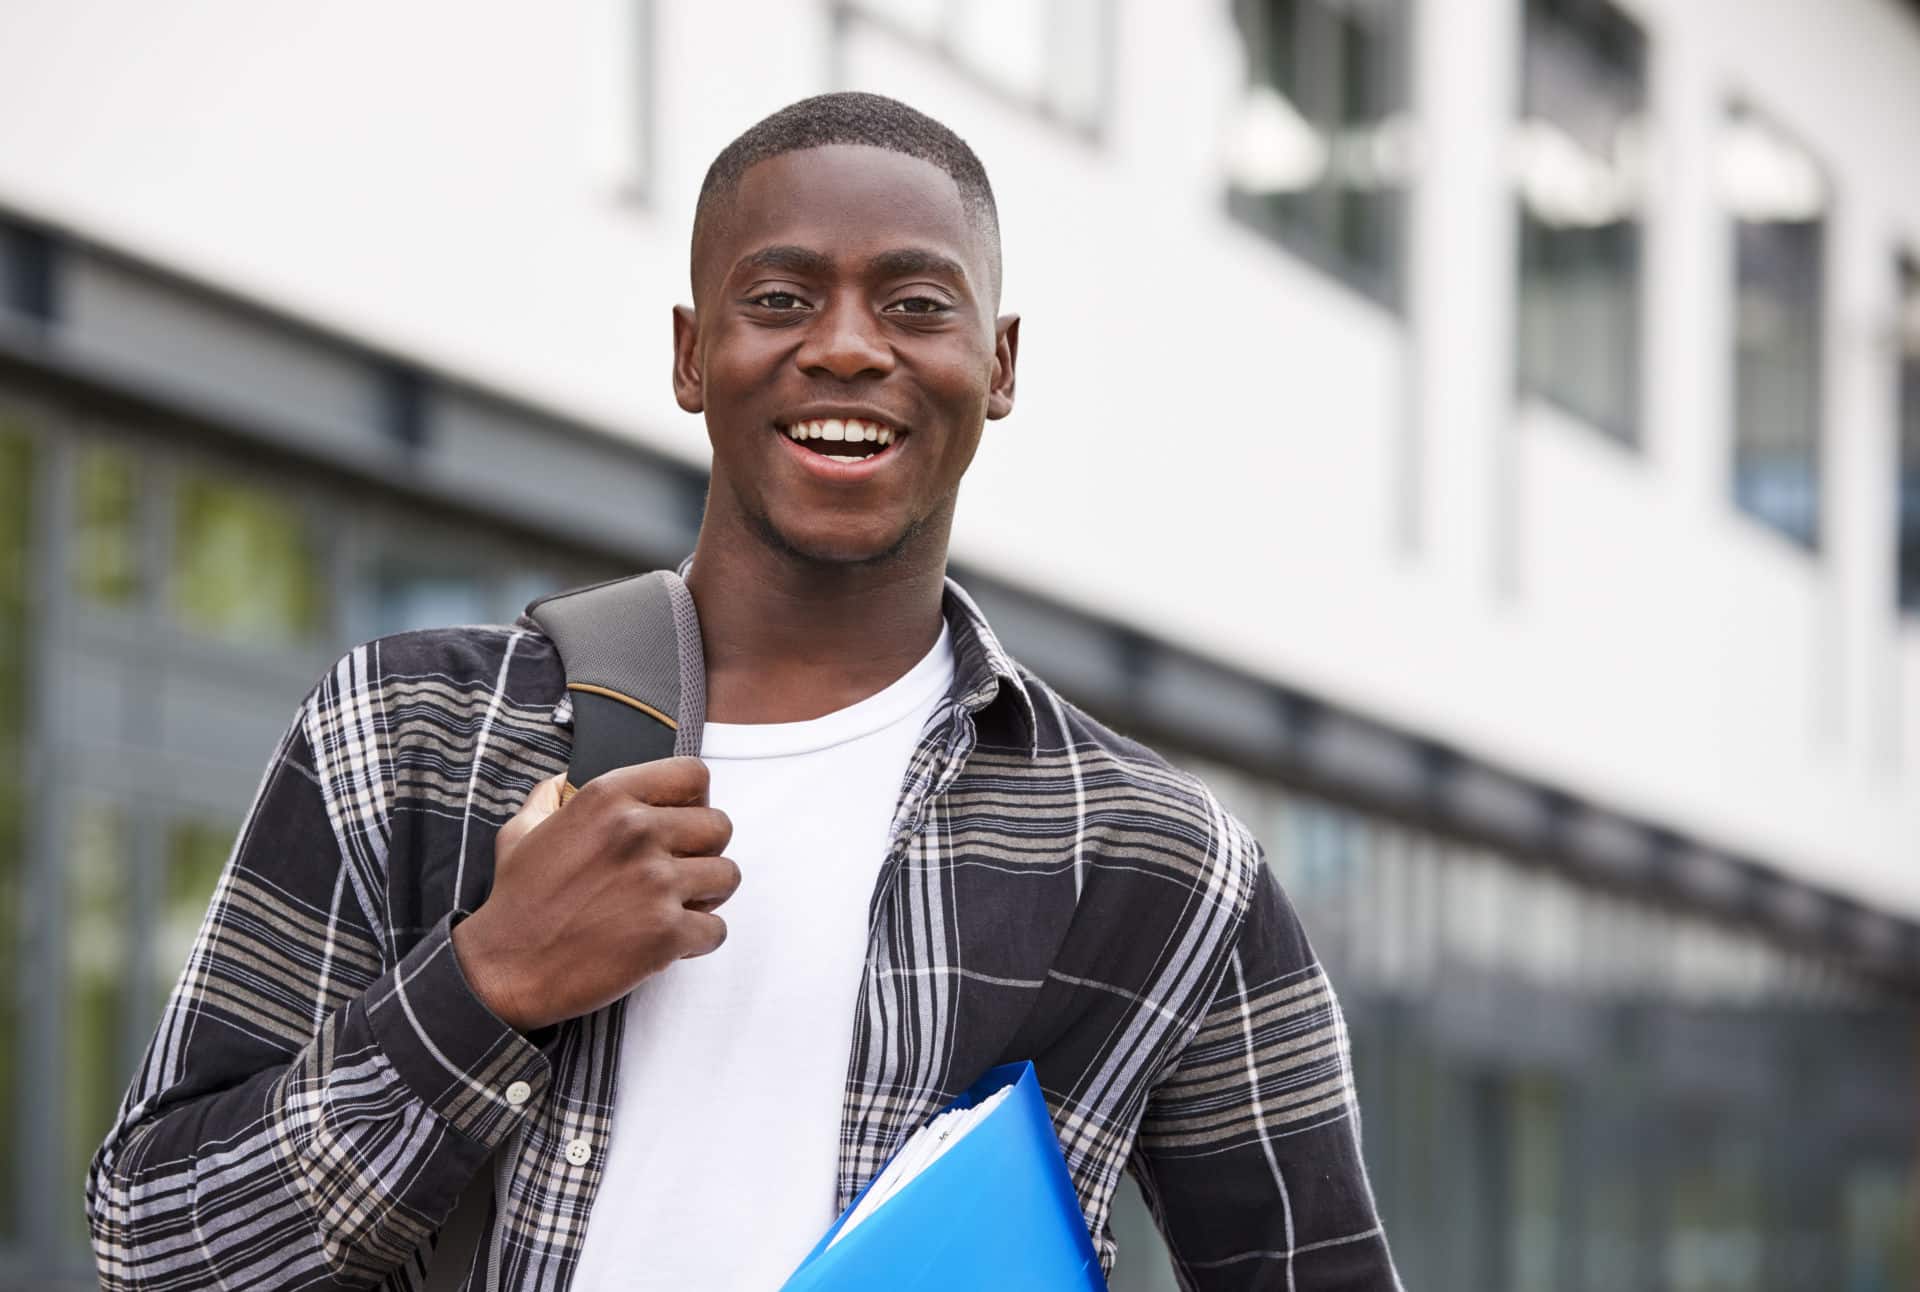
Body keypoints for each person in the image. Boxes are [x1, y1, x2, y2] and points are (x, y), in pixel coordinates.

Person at [86, 92, 1401, 1291]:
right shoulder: (409, 733)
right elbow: (153, 1247)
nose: (844, 347)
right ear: (689, 354)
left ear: (998, 367)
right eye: (777, 299)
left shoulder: (1159, 862)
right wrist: (489, 981)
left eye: (916, 304)